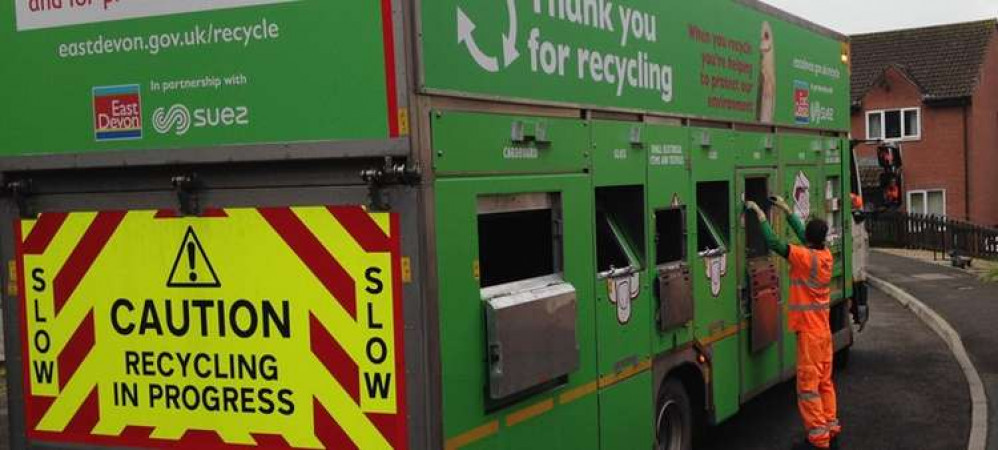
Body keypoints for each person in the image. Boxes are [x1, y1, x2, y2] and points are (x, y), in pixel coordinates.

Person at [746, 197, 840, 450]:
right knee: (824, 382)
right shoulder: (825, 255)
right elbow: (804, 235)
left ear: (808, 239)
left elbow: (775, 243)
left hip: (809, 334)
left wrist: (761, 216)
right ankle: (830, 427)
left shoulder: (802, 257)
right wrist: (787, 211)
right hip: (823, 332)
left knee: (808, 387)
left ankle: (818, 440)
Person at [850, 194, 870, 331]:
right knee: (860, 294)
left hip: (854, 272)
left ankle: (860, 315)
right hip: (859, 273)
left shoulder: (851, 221)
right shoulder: (860, 222)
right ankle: (860, 315)